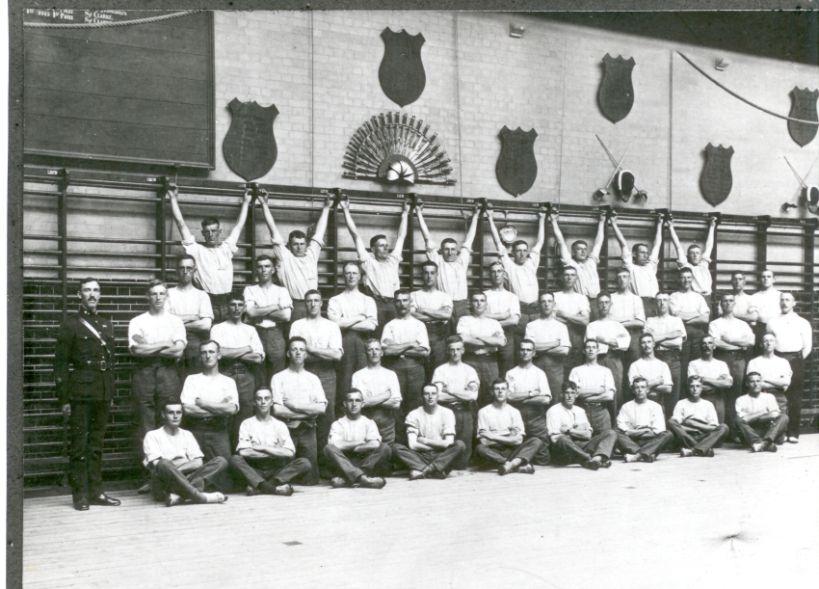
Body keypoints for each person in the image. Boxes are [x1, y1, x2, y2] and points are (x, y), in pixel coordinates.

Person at [54, 277, 120, 511]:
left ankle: (96, 491)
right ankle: (80, 494)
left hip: (102, 392)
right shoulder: (70, 324)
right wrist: (63, 398)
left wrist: (109, 392)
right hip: (80, 393)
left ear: (100, 295)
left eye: (96, 290)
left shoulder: (106, 324)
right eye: (87, 290)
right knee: (79, 446)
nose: (92, 294)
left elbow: (110, 363)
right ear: (78, 295)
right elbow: (60, 364)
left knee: (96, 445)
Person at [167, 183, 252, 322]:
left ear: (219, 232)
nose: (211, 235)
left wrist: (246, 202)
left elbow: (239, 226)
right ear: (203, 233)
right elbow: (181, 223)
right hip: (207, 300)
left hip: (227, 300)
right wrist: (173, 198)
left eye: (214, 231)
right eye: (207, 232)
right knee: (208, 337)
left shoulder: (226, 248)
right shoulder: (197, 250)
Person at [128, 280, 186, 452]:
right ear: (148, 296)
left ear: (167, 296)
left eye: (161, 293)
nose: (158, 297)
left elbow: (177, 352)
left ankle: (169, 469)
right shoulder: (137, 321)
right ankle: (150, 470)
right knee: (145, 421)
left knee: (169, 417)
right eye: (154, 293)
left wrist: (150, 346)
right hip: (144, 372)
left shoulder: (175, 321)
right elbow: (137, 350)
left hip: (168, 372)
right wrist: (165, 344)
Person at [258, 193, 333, 324]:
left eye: (302, 244)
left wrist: (326, 207)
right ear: (290, 246)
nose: (299, 247)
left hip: (313, 302)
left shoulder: (312, 254)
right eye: (295, 244)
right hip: (295, 305)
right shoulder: (285, 257)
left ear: (306, 244)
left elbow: (320, 231)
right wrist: (264, 205)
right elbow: (273, 230)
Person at [340, 198, 411, 331]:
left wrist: (405, 213)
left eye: (386, 245)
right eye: (381, 246)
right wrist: (345, 210)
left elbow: (401, 236)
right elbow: (355, 235)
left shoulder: (393, 260)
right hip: (377, 304)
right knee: (377, 337)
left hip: (394, 303)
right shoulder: (369, 262)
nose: (385, 248)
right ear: (373, 249)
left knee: (396, 335)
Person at [228, 388, 311, 496]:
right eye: (259, 399)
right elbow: (244, 452)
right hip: (255, 469)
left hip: (276, 469)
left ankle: (260, 486)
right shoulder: (247, 424)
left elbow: (289, 452)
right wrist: (276, 451)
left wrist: (263, 448)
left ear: (272, 402)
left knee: (304, 463)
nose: (263, 402)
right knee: (235, 459)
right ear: (254, 402)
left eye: (267, 398)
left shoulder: (280, 425)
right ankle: (273, 489)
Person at [142, 402, 228, 506]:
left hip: (185, 478)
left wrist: (175, 471)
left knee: (220, 461)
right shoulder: (152, 435)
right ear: (163, 415)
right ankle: (201, 497)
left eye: (179, 412)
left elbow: (198, 462)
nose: (175, 416)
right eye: (171, 413)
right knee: (163, 463)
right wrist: (180, 466)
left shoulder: (187, 434)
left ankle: (179, 496)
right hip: (165, 483)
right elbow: (158, 465)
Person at [289, 289, 343, 450]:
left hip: (327, 374)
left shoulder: (332, 326)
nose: (313, 304)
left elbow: (336, 355)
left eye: (316, 300)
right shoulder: (297, 325)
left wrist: (309, 349)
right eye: (309, 301)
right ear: (305, 304)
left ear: (321, 303)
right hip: (304, 372)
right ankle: (308, 459)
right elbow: (296, 354)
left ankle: (325, 462)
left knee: (326, 415)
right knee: (304, 413)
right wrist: (322, 352)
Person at [486, 207, 546, 347]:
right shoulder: (509, 266)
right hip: (521, 311)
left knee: (537, 343)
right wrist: (490, 217)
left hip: (536, 310)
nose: (522, 254)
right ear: (513, 252)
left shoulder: (532, 263)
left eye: (525, 251)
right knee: (520, 346)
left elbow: (540, 242)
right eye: (518, 251)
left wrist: (542, 219)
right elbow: (498, 243)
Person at [271, 337, 328, 485]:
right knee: (284, 474)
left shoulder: (313, 379)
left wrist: (294, 406)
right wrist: (307, 413)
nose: (298, 353)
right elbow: (277, 410)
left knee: (311, 479)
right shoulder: (278, 378)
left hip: (308, 429)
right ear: (288, 354)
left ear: (306, 355)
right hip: (286, 429)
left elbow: (321, 408)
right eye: (294, 349)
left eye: (302, 350)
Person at [415, 201, 481, 324]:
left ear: (456, 251)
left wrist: (476, 215)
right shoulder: (438, 261)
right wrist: (418, 213)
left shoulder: (461, 262)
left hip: (462, 305)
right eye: (446, 249)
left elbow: (469, 239)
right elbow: (427, 238)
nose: (450, 252)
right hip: (444, 304)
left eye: (453, 249)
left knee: (462, 337)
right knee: (445, 337)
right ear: (441, 250)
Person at [210, 297, 265, 437]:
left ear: (244, 307)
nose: (236, 308)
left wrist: (230, 352)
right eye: (233, 304)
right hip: (224, 373)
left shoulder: (250, 329)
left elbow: (258, 358)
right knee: (224, 413)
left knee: (245, 416)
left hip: (246, 375)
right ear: (227, 307)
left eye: (240, 305)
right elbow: (218, 353)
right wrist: (247, 348)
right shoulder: (218, 328)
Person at [179, 340, 239, 462]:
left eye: (211, 352)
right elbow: (187, 409)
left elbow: (232, 409)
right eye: (203, 352)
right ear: (200, 356)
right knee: (197, 468)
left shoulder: (228, 381)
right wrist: (220, 407)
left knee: (223, 468)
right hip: (196, 430)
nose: (208, 356)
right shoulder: (191, 379)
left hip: (219, 431)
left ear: (219, 355)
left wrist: (203, 404)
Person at [393, 383, 466, 480]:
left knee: (460, 445)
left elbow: (449, 443)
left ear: (438, 396)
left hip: (441, 455)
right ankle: (436, 470)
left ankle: (424, 470)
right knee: (395, 447)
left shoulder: (447, 413)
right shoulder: (414, 414)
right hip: (421, 455)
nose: (430, 397)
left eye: (433, 393)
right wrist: (436, 445)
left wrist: (426, 441)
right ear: (422, 396)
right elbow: (412, 445)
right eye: (426, 394)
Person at [766, 292, 812, 443]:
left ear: (794, 303)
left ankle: (793, 432)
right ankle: (780, 432)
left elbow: (807, 346)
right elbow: (769, 341)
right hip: (777, 359)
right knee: (778, 395)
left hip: (796, 360)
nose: (784, 302)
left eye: (788, 300)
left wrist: (796, 362)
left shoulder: (803, 322)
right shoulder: (772, 321)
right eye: (782, 300)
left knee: (795, 397)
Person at [328, 261, 378, 398]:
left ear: (360, 277)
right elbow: (334, 324)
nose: (351, 276)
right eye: (348, 273)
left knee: (363, 378)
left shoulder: (368, 300)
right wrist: (360, 317)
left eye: (354, 273)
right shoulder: (335, 300)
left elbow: (371, 325)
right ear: (343, 276)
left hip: (363, 342)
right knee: (345, 379)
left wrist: (345, 321)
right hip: (343, 341)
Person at [324, 390, 391, 489]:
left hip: (364, 461)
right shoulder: (337, 424)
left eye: (357, 400)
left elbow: (375, 444)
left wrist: (353, 447)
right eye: (350, 401)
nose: (354, 404)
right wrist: (359, 443)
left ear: (362, 404)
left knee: (385, 448)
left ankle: (349, 479)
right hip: (345, 461)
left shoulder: (369, 422)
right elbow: (334, 445)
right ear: (345, 404)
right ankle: (364, 479)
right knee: (328, 448)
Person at [380, 289, 430, 423]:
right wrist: (410, 344)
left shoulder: (419, 325)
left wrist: (397, 347)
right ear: (394, 303)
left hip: (415, 367)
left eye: (405, 300)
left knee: (415, 404)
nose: (402, 304)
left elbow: (424, 352)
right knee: (397, 404)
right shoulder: (389, 326)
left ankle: (413, 438)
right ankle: (399, 441)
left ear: (410, 302)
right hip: (395, 367)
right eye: (398, 301)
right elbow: (386, 352)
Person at [475, 379, 544, 475]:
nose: (500, 392)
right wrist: (509, 436)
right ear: (492, 392)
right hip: (494, 452)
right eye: (496, 389)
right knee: (480, 448)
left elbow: (519, 440)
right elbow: (484, 441)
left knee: (536, 441)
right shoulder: (483, 411)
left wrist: (493, 436)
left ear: (507, 392)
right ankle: (514, 465)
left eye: (503, 389)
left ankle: (509, 465)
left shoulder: (514, 412)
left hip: (512, 451)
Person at [431, 336, 480, 469]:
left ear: (463, 350)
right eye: (452, 350)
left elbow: (472, 396)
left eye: (458, 349)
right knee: (447, 447)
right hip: (446, 411)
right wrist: (461, 393)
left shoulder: (470, 370)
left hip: (465, 411)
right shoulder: (440, 370)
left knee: (462, 462)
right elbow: (438, 397)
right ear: (447, 351)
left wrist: (450, 390)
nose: (455, 353)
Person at [243, 254, 293, 383]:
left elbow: (286, 316)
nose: (263, 269)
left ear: (273, 269)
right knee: (257, 372)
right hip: (256, 332)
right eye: (260, 267)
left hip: (275, 334)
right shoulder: (250, 289)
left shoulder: (282, 291)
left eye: (267, 266)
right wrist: (276, 306)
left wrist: (260, 310)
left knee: (277, 374)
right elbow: (251, 313)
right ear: (256, 270)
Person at [546, 381, 617, 470]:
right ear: (561, 394)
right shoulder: (553, 411)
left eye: (572, 393)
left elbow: (588, 435)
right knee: (562, 439)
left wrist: (569, 430)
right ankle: (589, 459)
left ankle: (597, 458)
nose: (569, 396)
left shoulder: (580, 411)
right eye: (567, 393)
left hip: (581, 445)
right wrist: (579, 431)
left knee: (610, 433)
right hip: (565, 452)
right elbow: (555, 439)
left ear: (576, 395)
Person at [709, 293, 754, 428]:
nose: (728, 303)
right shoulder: (715, 323)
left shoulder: (742, 324)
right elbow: (716, 342)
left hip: (738, 360)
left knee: (737, 393)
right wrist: (739, 345)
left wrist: (730, 340)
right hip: (722, 358)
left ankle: (735, 431)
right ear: (721, 304)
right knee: (721, 393)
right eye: (725, 301)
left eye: (730, 301)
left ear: (734, 304)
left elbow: (751, 341)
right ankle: (723, 428)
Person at [505, 339, 552, 465]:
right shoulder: (511, 373)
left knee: (543, 459)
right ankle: (520, 463)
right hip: (517, 415)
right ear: (519, 352)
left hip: (536, 416)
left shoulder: (539, 373)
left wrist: (521, 399)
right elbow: (508, 397)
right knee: (514, 447)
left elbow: (545, 399)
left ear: (534, 353)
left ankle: (523, 462)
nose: (525, 352)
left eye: (528, 350)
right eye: (522, 349)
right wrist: (531, 394)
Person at [166, 255, 214, 375]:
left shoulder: (202, 295)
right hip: (172, 341)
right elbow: (165, 322)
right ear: (177, 271)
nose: (185, 271)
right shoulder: (168, 294)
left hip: (195, 343)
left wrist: (176, 322)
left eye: (189, 268)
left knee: (195, 382)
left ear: (194, 271)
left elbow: (205, 325)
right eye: (182, 268)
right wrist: (193, 317)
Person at [457, 291, 507, 405]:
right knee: (471, 392)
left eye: (482, 301)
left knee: (491, 394)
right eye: (475, 301)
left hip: (490, 361)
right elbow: (464, 339)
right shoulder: (464, 320)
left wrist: (476, 336)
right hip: (471, 360)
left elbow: (501, 342)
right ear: (470, 303)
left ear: (486, 304)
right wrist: (490, 340)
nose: (479, 304)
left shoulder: (494, 323)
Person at [585, 293, 631, 413]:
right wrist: (612, 340)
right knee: (598, 389)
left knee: (615, 391)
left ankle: (615, 424)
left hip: (614, 360)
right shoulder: (591, 326)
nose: (604, 306)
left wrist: (602, 339)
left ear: (610, 305)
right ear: (597, 305)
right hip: (597, 360)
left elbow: (625, 344)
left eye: (606, 303)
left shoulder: (617, 325)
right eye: (601, 303)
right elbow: (590, 342)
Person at [610, 213, 663, 316]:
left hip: (655, 302)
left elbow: (657, 245)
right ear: (634, 254)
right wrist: (613, 223)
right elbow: (623, 244)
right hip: (640, 303)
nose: (646, 255)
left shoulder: (650, 267)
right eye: (642, 252)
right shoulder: (630, 267)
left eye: (646, 253)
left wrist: (660, 224)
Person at [351, 339, 402, 445]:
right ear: (366, 353)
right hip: (365, 424)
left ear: (382, 353)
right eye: (370, 349)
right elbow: (359, 404)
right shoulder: (358, 375)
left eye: (377, 349)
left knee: (386, 455)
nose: (374, 352)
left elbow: (396, 404)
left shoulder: (390, 374)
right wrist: (385, 396)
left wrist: (369, 401)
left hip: (386, 425)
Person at [524, 292, 571, 403]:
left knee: (556, 403)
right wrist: (554, 344)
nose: (546, 304)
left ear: (554, 304)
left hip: (555, 371)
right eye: (543, 301)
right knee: (537, 401)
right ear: (539, 305)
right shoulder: (531, 326)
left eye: (549, 301)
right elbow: (528, 348)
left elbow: (564, 350)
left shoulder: (561, 326)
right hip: (536, 369)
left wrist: (538, 348)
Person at [668, 375, 729, 457]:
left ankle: (693, 450)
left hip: (704, 436)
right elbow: (676, 424)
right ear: (688, 388)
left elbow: (714, 427)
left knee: (724, 427)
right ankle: (703, 449)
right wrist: (692, 429)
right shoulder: (681, 403)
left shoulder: (708, 404)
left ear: (702, 388)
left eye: (698, 386)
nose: (695, 389)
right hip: (687, 435)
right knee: (670, 421)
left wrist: (694, 424)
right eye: (692, 386)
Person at [550, 209, 606, 299]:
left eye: (585, 249)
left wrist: (602, 221)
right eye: (579, 249)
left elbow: (599, 242)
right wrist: (553, 221)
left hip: (596, 300)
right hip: (581, 301)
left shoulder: (591, 262)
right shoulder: (570, 263)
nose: (583, 251)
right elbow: (561, 241)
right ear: (573, 251)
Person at [615, 377, 673, 463]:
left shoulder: (656, 406)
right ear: (633, 390)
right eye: (637, 387)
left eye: (643, 387)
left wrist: (635, 431)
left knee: (668, 434)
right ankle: (647, 454)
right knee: (615, 432)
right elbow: (625, 432)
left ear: (647, 390)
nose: (640, 390)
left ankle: (637, 456)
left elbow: (657, 431)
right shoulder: (626, 406)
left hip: (650, 441)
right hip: (631, 442)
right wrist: (645, 430)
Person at [644, 293, 685, 410]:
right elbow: (649, 340)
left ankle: (670, 425)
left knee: (673, 394)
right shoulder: (650, 320)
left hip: (673, 358)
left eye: (665, 300)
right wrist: (670, 335)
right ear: (655, 303)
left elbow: (677, 342)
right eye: (659, 300)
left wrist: (657, 339)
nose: (662, 303)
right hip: (655, 358)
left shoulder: (677, 320)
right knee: (655, 393)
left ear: (669, 302)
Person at [410, 260, 454, 370]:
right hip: (418, 333)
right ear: (421, 275)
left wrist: (424, 310)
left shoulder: (444, 296)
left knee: (438, 368)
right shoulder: (414, 295)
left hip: (439, 334)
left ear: (437, 275)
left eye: (432, 273)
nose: (429, 276)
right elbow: (411, 315)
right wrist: (437, 314)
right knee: (419, 368)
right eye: (426, 273)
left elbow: (447, 315)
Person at [567, 340, 616, 433]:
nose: (591, 350)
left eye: (593, 347)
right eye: (588, 347)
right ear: (584, 351)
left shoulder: (606, 371)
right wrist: (599, 390)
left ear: (598, 351)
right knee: (583, 440)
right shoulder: (576, 371)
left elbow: (609, 396)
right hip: (582, 411)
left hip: (601, 412)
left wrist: (586, 397)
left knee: (607, 438)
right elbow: (574, 393)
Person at [669, 267, 710, 375]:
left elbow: (705, 319)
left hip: (698, 335)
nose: (686, 280)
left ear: (692, 279)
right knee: (684, 366)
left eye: (688, 277)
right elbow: (676, 315)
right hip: (683, 335)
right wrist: (697, 314)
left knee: (698, 365)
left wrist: (686, 319)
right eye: (683, 277)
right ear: (679, 279)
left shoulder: (699, 297)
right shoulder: (674, 296)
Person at [735, 372, 789, 452]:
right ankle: (765, 444)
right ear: (747, 384)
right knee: (737, 419)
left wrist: (753, 417)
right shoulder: (740, 400)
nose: (755, 384)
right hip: (751, 432)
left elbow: (775, 414)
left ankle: (763, 443)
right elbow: (743, 420)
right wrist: (763, 412)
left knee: (784, 417)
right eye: (752, 381)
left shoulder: (769, 397)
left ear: (761, 383)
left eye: (758, 381)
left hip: (768, 429)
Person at [483, 260, 521, 374]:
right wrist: (503, 315)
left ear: (504, 274)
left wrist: (492, 320)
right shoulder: (484, 295)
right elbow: (481, 318)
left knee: (507, 369)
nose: (496, 274)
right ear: (489, 275)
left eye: (499, 271)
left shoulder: (512, 297)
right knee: (489, 369)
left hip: (507, 335)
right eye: (493, 272)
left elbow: (514, 321)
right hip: (489, 335)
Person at [687, 335, 733, 425]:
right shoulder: (693, 364)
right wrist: (718, 381)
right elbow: (694, 385)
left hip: (717, 398)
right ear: (700, 346)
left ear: (714, 346)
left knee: (718, 428)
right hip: (701, 398)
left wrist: (705, 379)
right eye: (704, 343)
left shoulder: (721, 364)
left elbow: (728, 384)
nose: (707, 346)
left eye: (710, 343)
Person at [667, 216, 717, 296]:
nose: (695, 255)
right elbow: (678, 246)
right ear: (688, 256)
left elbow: (709, 246)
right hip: (694, 297)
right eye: (692, 253)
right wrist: (670, 227)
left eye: (697, 253)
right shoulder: (686, 267)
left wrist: (712, 226)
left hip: (708, 297)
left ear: (701, 255)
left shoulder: (704, 265)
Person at [627, 333, 674, 416]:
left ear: (653, 344)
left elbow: (668, 389)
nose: (646, 345)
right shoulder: (635, 365)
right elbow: (634, 388)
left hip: (658, 404)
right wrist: (656, 381)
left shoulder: (662, 365)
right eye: (643, 342)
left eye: (649, 342)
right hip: (639, 405)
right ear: (640, 345)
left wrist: (644, 385)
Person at [552, 267, 591, 367]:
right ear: (562, 277)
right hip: (558, 334)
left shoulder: (581, 298)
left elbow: (585, 320)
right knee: (559, 365)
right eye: (566, 275)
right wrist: (576, 317)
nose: (569, 278)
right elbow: (552, 319)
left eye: (572, 275)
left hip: (576, 335)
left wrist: (564, 314)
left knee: (575, 366)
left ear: (576, 278)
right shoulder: (555, 296)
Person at [609, 268, 646, 366]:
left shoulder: (636, 299)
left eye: (625, 277)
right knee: (616, 365)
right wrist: (630, 319)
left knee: (634, 364)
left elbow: (641, 322)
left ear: (629, 280)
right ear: (616, 280)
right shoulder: (611, 298)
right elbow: (609, 321)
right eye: (619, 277)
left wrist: (619, 322)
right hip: (615, 334)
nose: (622, 280)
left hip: (633, 334)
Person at [746, 333, 792, 412]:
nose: (768, 343)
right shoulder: (754, 362)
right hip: (759, 396)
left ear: (775, 344)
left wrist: (765, 379)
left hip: (778, 397)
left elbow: (786, 382)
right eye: (765, 341)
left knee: (781, 420)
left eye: (771, 341)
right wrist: (778, 383)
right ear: (761, 344)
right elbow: (754, 384)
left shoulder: (783, 362)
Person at [748, 270, 782, 347]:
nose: (766, 279)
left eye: (769, 277)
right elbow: (752, 319)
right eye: (763, 277)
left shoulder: (781, 296)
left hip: (778, 328)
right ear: (760, 280)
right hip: (761, 329)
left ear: (774, 279)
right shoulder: (754, 297)